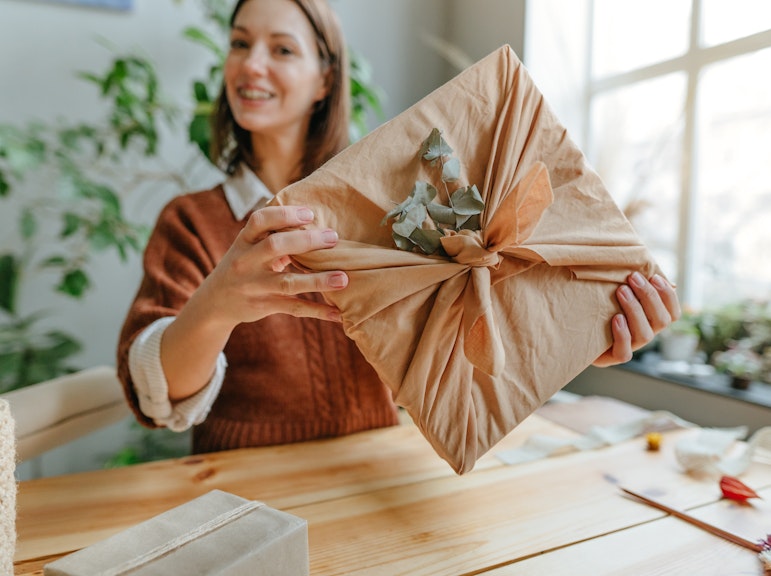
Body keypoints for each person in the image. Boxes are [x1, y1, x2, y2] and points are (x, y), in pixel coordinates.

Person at [116, 0, 681, 455]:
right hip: (243, 498)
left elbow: (453, 350)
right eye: (239, 43)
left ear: (324, 79)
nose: (250, 64)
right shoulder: (192, 220)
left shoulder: (398, 206)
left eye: (281, 48)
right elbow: (155, 397)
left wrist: (572, 334)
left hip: (382, 474)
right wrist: (216, 305)